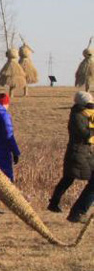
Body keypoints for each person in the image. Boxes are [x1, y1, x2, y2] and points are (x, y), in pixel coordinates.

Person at [47, 91, 94, 223]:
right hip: (78, 154)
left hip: (83, 153)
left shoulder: (82, 114)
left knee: (68, 178)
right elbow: (86, 134)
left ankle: (56, 204)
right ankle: (78, 212)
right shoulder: (77, 116)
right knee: (69, 178)